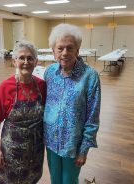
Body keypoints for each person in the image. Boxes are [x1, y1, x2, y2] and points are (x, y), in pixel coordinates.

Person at [43, 23, 101, 184]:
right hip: (51, 140)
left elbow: (93, 117)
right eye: (60, 48)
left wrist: (84, 150)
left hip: (73, 145)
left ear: (78, 50)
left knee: (69, 181)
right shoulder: (49, 73)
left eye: (70, 48)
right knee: (55, 180)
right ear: (53, 51)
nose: (65, 53)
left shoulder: (90, 76)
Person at [0, 40, 46, 184]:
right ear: (14, 61)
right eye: (21, 58)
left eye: (30, 58)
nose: (26, 62)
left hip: (36, 151)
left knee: (32, 179)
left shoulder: (42, 85)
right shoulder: (5, 86)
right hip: (11, 153)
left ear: (36, 62)